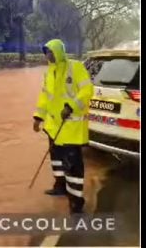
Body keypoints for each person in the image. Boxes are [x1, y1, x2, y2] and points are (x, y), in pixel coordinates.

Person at [32, 38, 94, 213]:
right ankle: (60, 187)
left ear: (58, 52)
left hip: (70, 128)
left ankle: (76, 201)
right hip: (53, 127)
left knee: (73, 165)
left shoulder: (75, 67)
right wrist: (38, 117)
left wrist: (71, 106)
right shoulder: (48, 73)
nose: (47, 55)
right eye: (46, 52)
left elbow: (87, 90)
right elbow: (45, 98)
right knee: (56, 160)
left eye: (50, 52)